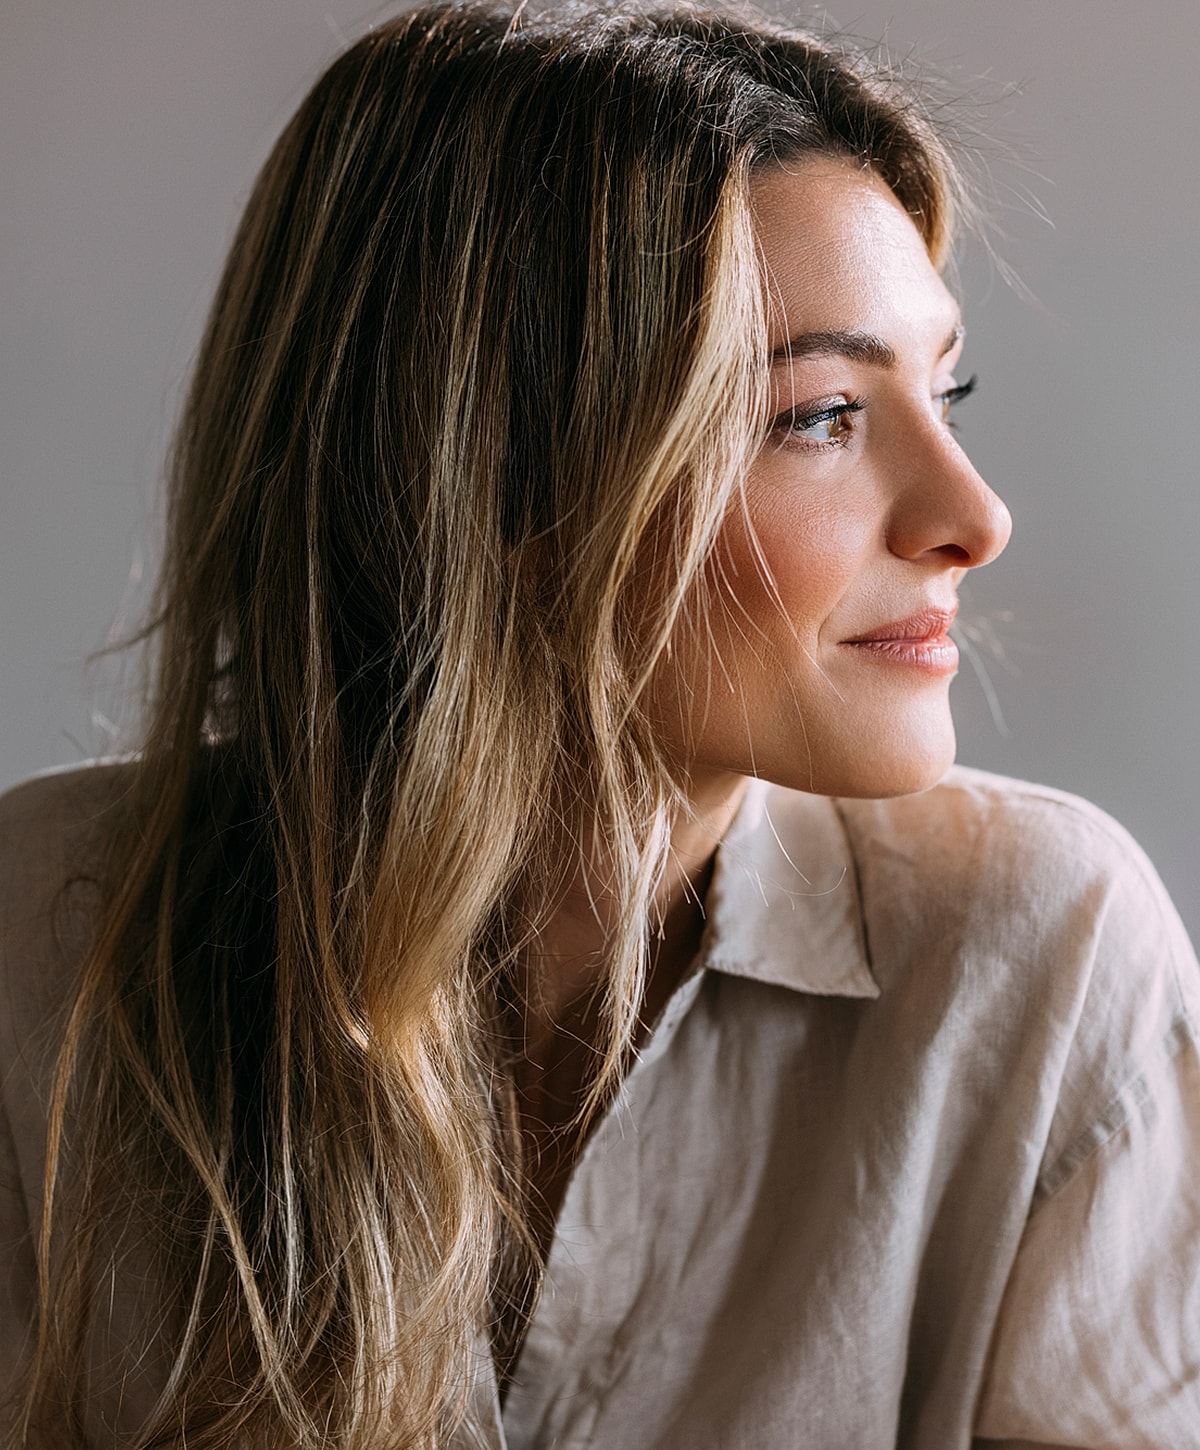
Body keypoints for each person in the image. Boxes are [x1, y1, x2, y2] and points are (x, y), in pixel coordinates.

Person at [2, 2, 1198, 1446]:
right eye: (820, 413)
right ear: (493, 481)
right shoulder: (46, 943)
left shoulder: (1045, 962)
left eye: (947, 388)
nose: (975, 515)